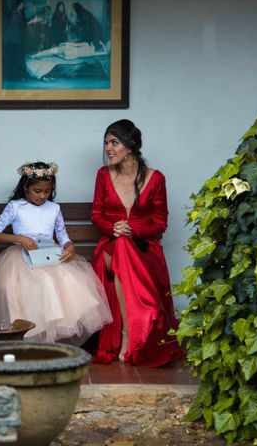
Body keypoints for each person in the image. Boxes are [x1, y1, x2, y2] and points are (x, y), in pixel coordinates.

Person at [91, 120, 185, 367]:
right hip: (109, 248)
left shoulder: (156, 178)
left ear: (130, 147)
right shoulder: (103, 175)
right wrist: (114, 229)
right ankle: (131, 333)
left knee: (125, 247)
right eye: (106, 143)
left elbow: (160, 222)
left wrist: (133, 231)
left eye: (114, 143)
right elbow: (97, 214)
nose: (108, 149)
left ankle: (129, 333)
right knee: (120, 245)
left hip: (145, 249)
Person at [0, 161, 112, 345]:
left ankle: (49, 340)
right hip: (21, 261)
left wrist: (70, 247)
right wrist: (19, 238)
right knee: (34, 284)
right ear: (26, 187)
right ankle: (30, 337)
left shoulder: (53, 208)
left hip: (48, 257)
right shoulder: (15, 207)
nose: (43, 196)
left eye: (47, 191)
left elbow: (63, 237)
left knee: (64, 282)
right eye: (38, 191)